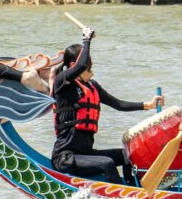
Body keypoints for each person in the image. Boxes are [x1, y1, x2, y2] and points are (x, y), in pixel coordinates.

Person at [51, 30, 163, 185]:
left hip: (86, 154)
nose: (90, 67)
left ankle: (136, 189)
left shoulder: (93, 86)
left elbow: (119, 105)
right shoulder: (62, 82)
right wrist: (86, 39)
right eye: (88, 65)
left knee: (127, 155)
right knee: (107, 164)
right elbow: (81, 63)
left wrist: (147, 105)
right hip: (65, 157)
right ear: (73, 66)